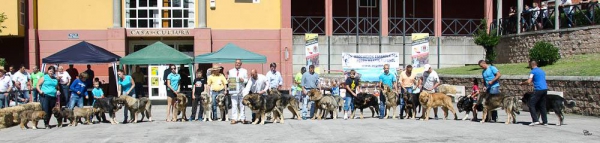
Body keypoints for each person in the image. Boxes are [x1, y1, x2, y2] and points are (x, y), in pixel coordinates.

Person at [520, 60, 548, 126]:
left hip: (538, 89)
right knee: (542, 105)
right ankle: (545, 121)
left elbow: (529, 81)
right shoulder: (542, 71)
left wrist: (522, 83)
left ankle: (535, 120)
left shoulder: (533, 71)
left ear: (531, 65)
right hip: (545, 89)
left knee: (531, 104)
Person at [227, 59, 248, 124]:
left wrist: (243, 80)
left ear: (241, 64)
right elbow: (228, 79)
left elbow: (247, 80)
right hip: (233, 90)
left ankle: (242, 118)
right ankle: (234, 118)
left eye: (239, 63)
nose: (237, 64)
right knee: (234, 105)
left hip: (242, 90)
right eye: (236, 62)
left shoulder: (244, 71)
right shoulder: (230, 71)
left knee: (242, 105)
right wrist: (228, 81)